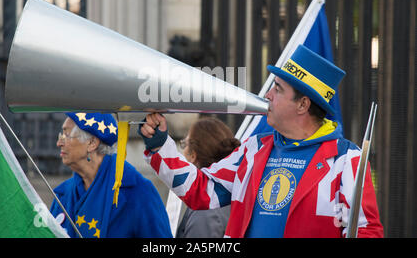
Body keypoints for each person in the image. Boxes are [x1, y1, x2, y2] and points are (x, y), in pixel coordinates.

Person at [138, 45, 383, 238]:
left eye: (278, 88)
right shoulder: (254, 148)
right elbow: (202, 190)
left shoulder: (347, 160)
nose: (267, 94)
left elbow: (367, 231)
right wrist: (160, 145)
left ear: (302, 104)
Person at [50, 112, 172, 238]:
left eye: (66, 135)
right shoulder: (63, 194)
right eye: (61, 135)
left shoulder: (138, 192)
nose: (59, 143)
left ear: (92, 143)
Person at [175, 117, 240, 238]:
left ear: (193, 155)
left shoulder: (206, 207)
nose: (182, 152)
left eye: (184, 144)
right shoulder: (237, 192)